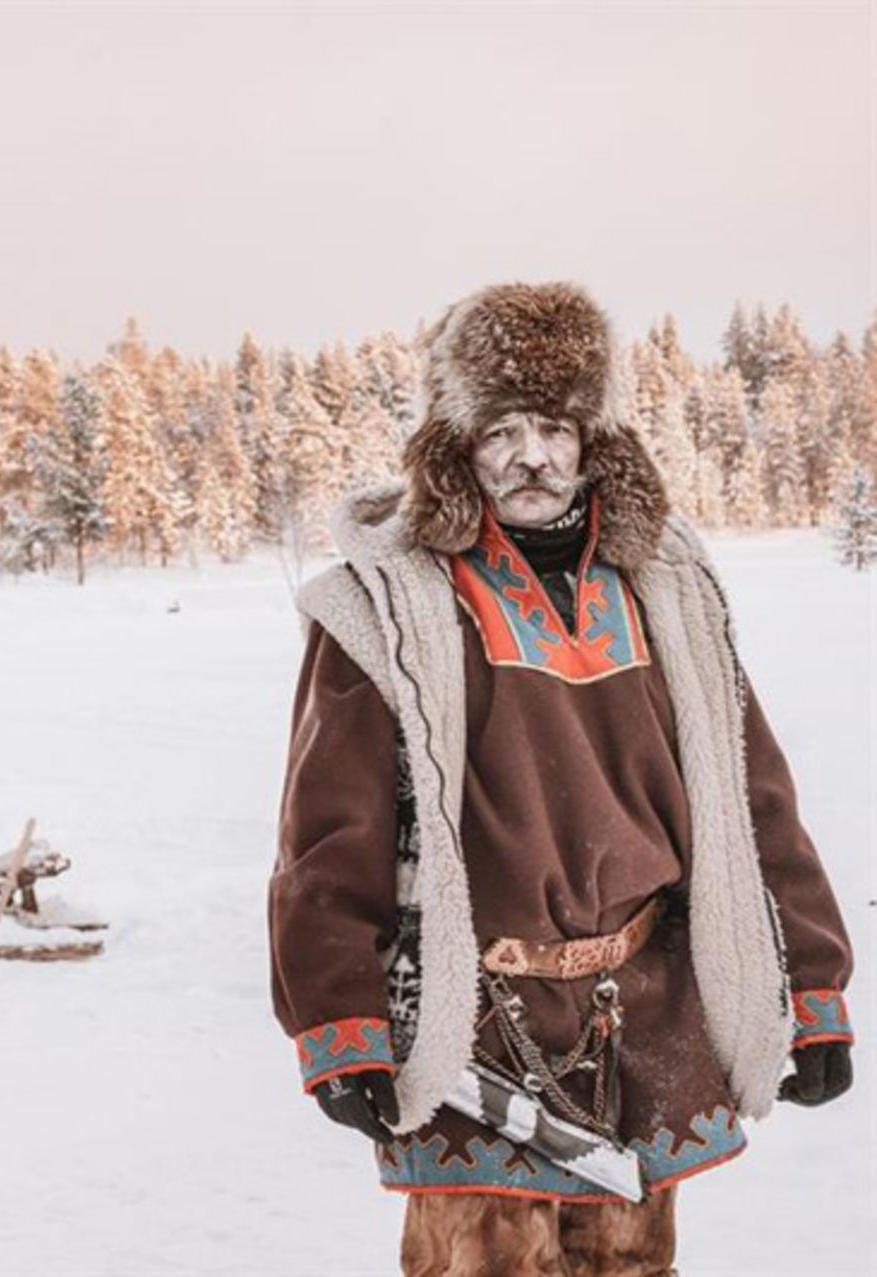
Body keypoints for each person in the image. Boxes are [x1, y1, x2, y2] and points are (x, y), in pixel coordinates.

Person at [268, 281, 855, 1276]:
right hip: (477, 1030)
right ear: (458, 443)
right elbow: (331, 830)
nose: (532, 455)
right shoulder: (388, 604)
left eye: (555, 426)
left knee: (633, 1266)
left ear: (593, 440)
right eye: (502, 429)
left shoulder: (669, 591)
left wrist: (815, 984)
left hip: (648, 1013)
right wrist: (339, 1019)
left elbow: (752, 801)